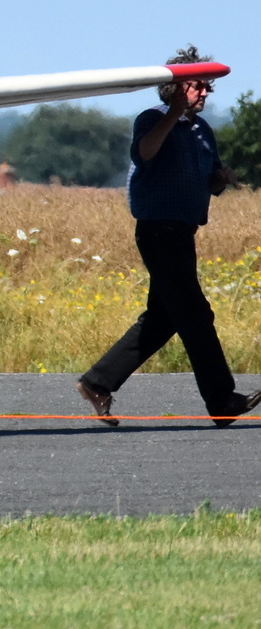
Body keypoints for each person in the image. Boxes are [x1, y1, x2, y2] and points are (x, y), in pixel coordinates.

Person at [77, 49, 258, 428]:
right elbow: (145, 153)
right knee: (195, 314)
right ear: (175, 89)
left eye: (207, 86)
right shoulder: (153, 119)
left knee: (163, 317)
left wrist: (219, 179)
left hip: (183, 231)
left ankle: (98, 383)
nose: (205, 92)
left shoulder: (202, 131)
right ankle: (222, 400)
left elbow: (208, 181)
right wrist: (174, 112)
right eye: (197, 86)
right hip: (158, 232)